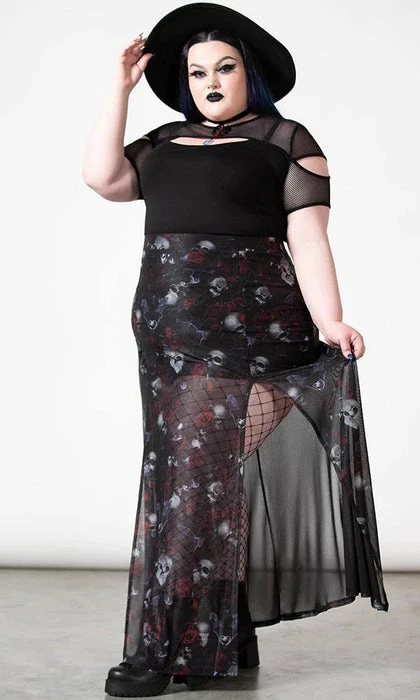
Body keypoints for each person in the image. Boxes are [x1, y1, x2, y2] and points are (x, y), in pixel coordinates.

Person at [82, 3, 389, 697]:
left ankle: (166, 647)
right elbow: (102, 179)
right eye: (197, 73)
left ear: (250, 74)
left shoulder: (285, 140)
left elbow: (308, 236)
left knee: (193, 483)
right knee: (194, 480)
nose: (211, 82)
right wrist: (120, 89)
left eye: (224, 68)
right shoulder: (161, 143)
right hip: (167, 340)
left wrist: (331, 319)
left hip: (256, 333)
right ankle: (226, 629)